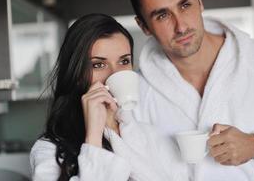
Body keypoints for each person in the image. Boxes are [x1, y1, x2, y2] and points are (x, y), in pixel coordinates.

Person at [128, 0, 254, 180]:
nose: (181, 27)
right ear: (143, 26)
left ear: (199, 1)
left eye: (185, 5)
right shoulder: (135, 94)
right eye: (162, 15)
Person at [30, 13, 188, 181]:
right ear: (76, 75)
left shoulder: (150, 136)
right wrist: (93, 138)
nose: (115, 74)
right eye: (99, 65)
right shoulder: (48, 150)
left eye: (124, 61)